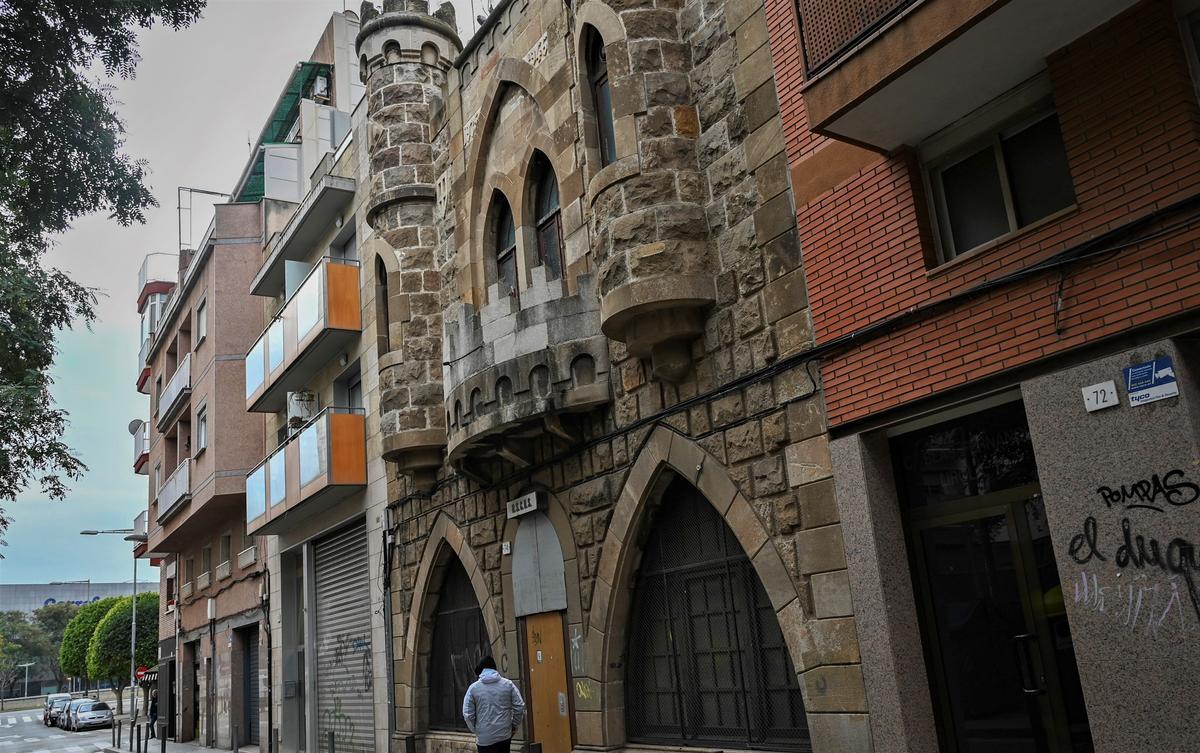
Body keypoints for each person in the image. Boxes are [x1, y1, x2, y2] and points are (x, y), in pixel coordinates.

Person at [462, 656, 525, 753]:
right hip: (504, 735)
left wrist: (477, 730)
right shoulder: (508, 684)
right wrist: (514, 725)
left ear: (481, 672)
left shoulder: (473, 688)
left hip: (484, 739)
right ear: (494, 669)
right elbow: (520, 706)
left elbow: (467, 714)